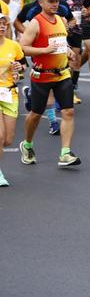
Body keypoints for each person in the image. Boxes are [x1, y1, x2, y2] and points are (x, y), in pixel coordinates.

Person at [18, 0, 80, 167]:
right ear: (41, 2)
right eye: (51, 1)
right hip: (42, 76)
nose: (55, 4)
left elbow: (62, 41)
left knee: (68, 111)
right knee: (36, 115)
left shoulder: (61, 19)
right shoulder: (35, 23)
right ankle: (27, 144)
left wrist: (68, 51)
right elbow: (23, 47)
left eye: (57, 1)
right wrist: (44, 50)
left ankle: (65, 153)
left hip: (62, 73)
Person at [55, 0, 90, 105]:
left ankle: (71, 90)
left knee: (75, 62)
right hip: (59, 32)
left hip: (76, 31)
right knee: (61, 62)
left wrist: (87, 13)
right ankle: (60, 91)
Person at [0, 14, 25, 186]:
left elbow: (22, 66)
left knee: (8, 140)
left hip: (9, 94)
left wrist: (18, 68)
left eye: (3, 23)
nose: (2, 26)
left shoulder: (13, 46)